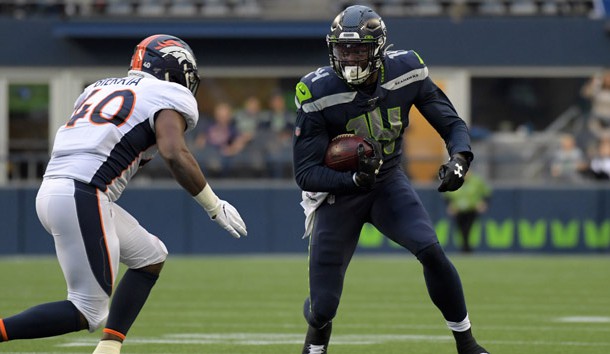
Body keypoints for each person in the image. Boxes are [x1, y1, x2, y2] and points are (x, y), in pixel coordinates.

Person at [0, 34, 247, 354]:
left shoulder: (97, 88)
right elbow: (174, 153)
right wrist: (213, 205)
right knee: (87, 311)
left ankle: (109, 347)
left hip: (55, 189)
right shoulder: (167, 94)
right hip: (83, 193)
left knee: (151, 256)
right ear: (172, 67)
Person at [293, 6, 489, 354]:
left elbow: (452, 124)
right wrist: (353, 179)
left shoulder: (406, 70)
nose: (350, 58)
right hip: (337, 193)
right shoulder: (317, 91)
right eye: (344, 49)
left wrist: (460, 157)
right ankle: (316, 335)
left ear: (379, 48)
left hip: (386, 182)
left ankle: (467, 344)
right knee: (323, 307)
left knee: (432, 252)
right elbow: (305, 173)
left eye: (359, 49)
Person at [443, 172, 492, 253]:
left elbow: (486, 193)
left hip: (472, 209)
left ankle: (467, 248)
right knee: (461, 230)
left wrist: (483, 203)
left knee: (469, 228)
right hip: (458, 210)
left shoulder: (476, 181)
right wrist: (450, 205)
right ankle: (465, 248)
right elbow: (447, 196)